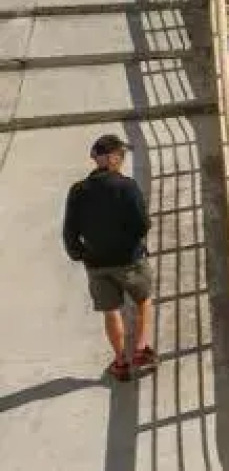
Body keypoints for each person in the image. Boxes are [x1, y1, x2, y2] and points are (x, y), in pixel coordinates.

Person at [62, 134, 154, 381]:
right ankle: (141, 350)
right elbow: (142, 224)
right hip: (130, 259)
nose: (122, 159)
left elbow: (70, 230)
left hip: (96, 263)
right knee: (143, 300)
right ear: (113, 158)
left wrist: (80, 254)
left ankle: (121, 362)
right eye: (121, 155)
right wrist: (133, 245)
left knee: (111, 310)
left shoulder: (78, 191)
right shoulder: (127, 186)